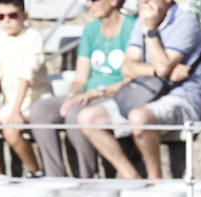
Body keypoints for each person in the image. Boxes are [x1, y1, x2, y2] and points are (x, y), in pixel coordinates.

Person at [76, 0, 201, 181]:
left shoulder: (186, 23)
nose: (143, 1)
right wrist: (158, 70)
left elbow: (163, 66)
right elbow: (127, 68)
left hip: (181, 98)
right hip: (143, 92)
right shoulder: (141, 22)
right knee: (87, 118)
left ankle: (155, 180)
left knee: (139, 117)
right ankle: (132, 177)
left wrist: (150, 31)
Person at [29, 0, 136, 179]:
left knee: (75, 113)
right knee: (40, 110)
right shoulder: (91, 30)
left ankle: (88, 176)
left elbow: (131, 78)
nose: (88, 4)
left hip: (117, 93)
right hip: (89, 93)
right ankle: (54, 177)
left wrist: (97, 92)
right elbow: (80, 78)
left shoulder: (132, 28)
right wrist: (72, 96)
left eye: (94, 0)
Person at [0, 0, 49, 177]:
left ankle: (35, 171)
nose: (6, 20)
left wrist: (15, 111)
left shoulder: (33, 37)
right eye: (0, 16)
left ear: (24, 16)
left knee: (11, 130)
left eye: (12, 15)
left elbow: (26, 75)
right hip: (8, 103)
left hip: (34, 101)